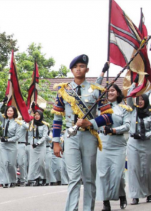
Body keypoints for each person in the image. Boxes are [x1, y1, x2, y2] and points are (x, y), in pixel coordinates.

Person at [51, 55, 113, 211]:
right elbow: (57, 118)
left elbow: (108, 116)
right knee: (73, 178)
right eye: (75, 67)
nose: (79, 69)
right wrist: (56, 142)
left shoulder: (96, 90)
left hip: (89, 136)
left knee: (89, 178)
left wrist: (91, 122)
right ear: (71, 70)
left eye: (82, 66)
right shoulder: (63, 91)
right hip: (71, 137)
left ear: (87, 69)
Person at [96, 63, 130, 211]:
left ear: (117, 93)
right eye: (108, 90)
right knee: (103, 175)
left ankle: (122, 195)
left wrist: (114, 130)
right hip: (103, 145)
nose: (110, 93)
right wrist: (102, 73)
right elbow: (95, 89)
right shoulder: (100, 108)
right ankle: (106, 202)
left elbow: (127, 126)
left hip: (118, 146)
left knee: (117, 175)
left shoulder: (124, 108)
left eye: (112, 90)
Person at [126, 77, 151, 205]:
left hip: (147, 142)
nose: (140, 101)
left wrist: (145, 135)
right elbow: (129, 97)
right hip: (133, 143)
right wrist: (134, 83)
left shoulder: (150, 113)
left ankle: (149, 193)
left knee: (147, 169)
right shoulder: (133, 110)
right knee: (134, 168)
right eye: (139, 99)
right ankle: (135, 195)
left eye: (143, 99)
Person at [0, 97, 22, 188]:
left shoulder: (17, 123)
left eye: (11, 111)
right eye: (8, 111)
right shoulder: (4, 120)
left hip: (12, 145)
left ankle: (13, 180)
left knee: (11, 164)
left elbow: (17, 136)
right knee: (4, 163)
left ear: (14, 113)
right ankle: (4, 181)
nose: (9, 112)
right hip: (3, 144)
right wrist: (2, 102)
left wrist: (8, 140)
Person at [27, 110, 48, 186]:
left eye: (38, 115)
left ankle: (43, 177)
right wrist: (32, 143)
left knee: (41, 162)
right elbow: (29, 134)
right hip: (33, 144)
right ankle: (32, 178)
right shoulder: (32, 124)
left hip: (41, 144)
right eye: (35, 114)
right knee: (33, 162)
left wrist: (38, 143)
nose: (37, 116)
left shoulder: (44, 125)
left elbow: (45, 136)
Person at [16, 117, 29, 186]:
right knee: (13, 163)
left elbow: (27, 127)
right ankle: (15, 179)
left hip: (21, 144)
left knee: (21, 162)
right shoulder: (13, 123)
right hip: (13, 144)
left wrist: (21, 122)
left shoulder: (23, 123)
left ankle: (23, 179)